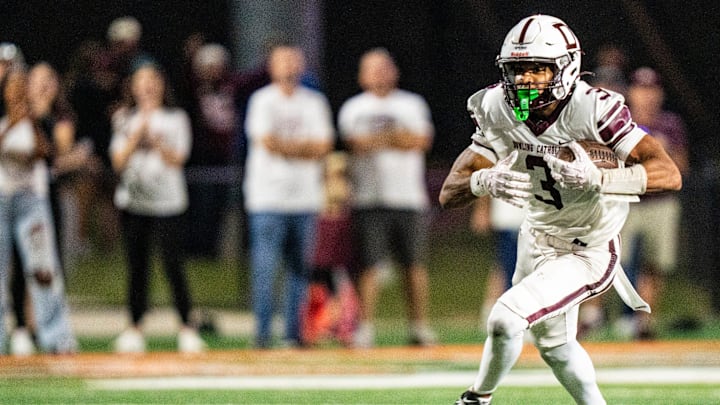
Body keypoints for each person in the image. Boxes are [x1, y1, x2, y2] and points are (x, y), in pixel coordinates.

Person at [438, 15, 681, 405]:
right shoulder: (499, 107)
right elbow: (449, 193)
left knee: (505, 317)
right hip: (535, 237)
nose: (526, 80)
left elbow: (668, 173)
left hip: (587, 248)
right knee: (555, 347)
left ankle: (475, 399)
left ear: (566, 67)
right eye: (518, 70)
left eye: (538, 68)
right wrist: (482, 182)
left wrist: (601, 180)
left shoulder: (593, 109)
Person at [338, 48, 436, 348]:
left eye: (384, 67)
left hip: (408, 197)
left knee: (414, 266)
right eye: (373, 68)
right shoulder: (354, 107)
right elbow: (354, 144)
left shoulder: (411, 103)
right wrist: (395, 139)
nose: (380, 73)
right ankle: (364, 328)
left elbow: (420, 141)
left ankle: (419, 327)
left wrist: (380, 141)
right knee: (369, 266)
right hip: (369, 198)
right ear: (362, 75)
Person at [109, 62, 206, 353]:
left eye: (154, 79)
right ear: (133, 87)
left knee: (173, 265)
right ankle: (134, 328)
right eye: (142, 80)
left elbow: (178, 159)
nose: (148, 85)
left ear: (162, 85)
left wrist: (157, 142)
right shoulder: (124, 118)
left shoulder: (176, 118)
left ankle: (187, 328)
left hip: (168, 203)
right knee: (137, 267)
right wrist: (138, 135)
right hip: (134, 202)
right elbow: (118, 161)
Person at [243, 43, 334, 348]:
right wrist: (303, 149)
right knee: (265, 269)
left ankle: (294, 335)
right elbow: (267, 142)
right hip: (267, 198)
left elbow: (323, 146)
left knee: (300, 271)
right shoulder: (262, 100)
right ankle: (262, 334)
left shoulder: (314, 102)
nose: (289, 66)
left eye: (294, 60)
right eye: (282, 60)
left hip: (305, 198)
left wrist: (290, 148)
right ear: (271, 66)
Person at [0, 42, 78, 355]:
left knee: (43, 270)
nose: (18, 91)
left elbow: (46, 153)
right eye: (12, 86)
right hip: (1, 197)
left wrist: (28, 118)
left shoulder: (41, 117)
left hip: (32, 200)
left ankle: (57, 338)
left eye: (23, 85)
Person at [615, 67, 689, 339]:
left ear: (659, 93)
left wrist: (661, 151)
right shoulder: (618, 122)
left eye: (651, 89)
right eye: (641, 89)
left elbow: (682, 167)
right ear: (631, 92)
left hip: (659, 201)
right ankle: (590, 317)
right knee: (606, 261)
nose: (646, 96)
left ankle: (643, 323)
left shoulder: (670, 125)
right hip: (625, 202)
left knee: (655, 263)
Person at [470, 197, 526, 330]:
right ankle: (512, 318)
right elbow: (485, 176)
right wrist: (482, 208)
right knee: (510, 270)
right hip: (512, 215)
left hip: (536, 215)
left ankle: (498, 316)